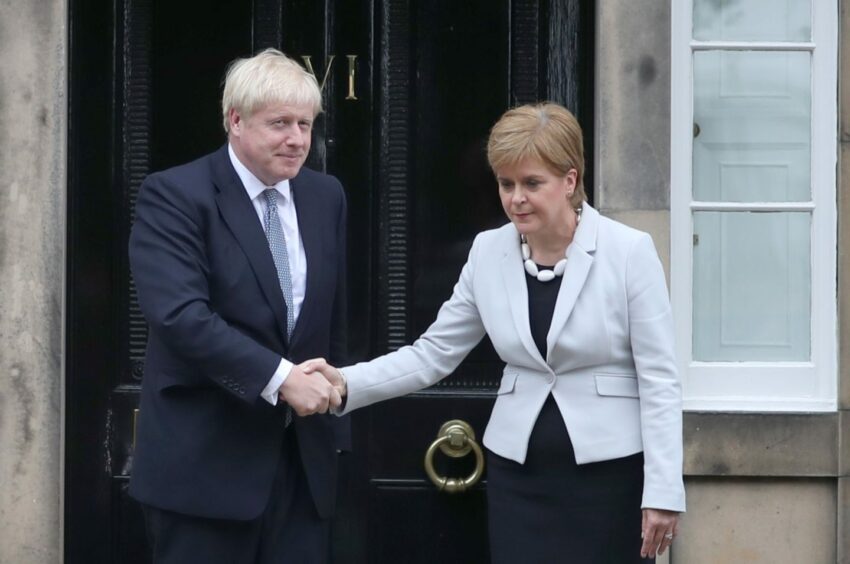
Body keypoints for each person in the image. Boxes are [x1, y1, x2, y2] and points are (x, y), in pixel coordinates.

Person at [304, 102, 685, 562]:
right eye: (506, 184)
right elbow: (433, 354)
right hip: (517, 476)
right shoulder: (488, 252)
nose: (515, 198)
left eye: (531, 183)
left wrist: (663, 490)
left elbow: (660, 379)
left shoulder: (628, 251)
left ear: (569, 180)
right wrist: (346, 383)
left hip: (609, 479)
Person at [128, 48, 349, 564]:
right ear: (235, 121)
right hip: (204, 472)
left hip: (303, 469)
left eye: (305, 123)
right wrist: (281, 378)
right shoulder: (176, 194)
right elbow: (180, 315)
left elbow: (332, 319)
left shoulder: (325, 196)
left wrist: (337, 418)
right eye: (279, 124)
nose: (297, 139)